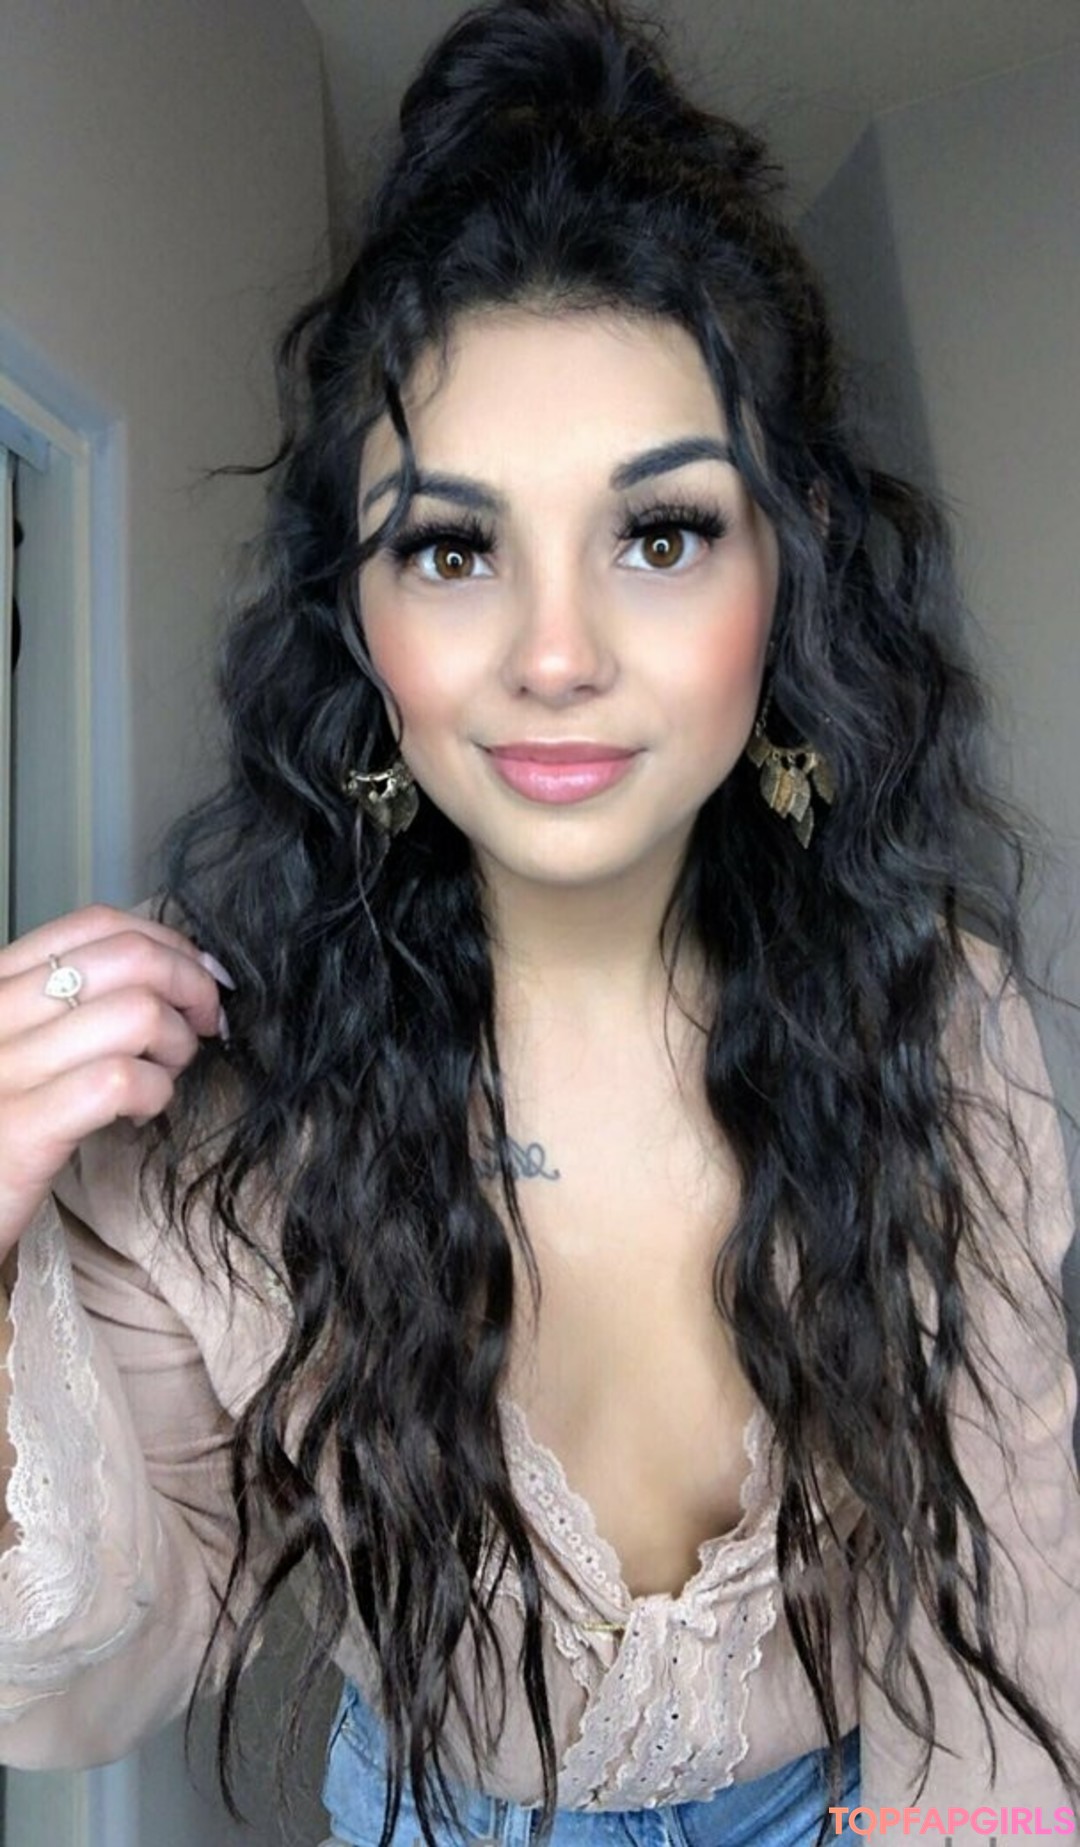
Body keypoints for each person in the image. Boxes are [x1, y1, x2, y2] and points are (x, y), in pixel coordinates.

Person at [0, 1, 1078, 1843]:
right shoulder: (208, 1090)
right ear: (357, 612)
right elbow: (77, 1681)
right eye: (452, 546)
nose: (556, 653)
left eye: (660, 535)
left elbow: (1006, 1589)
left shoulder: (933, 1011)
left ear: (789, 565)